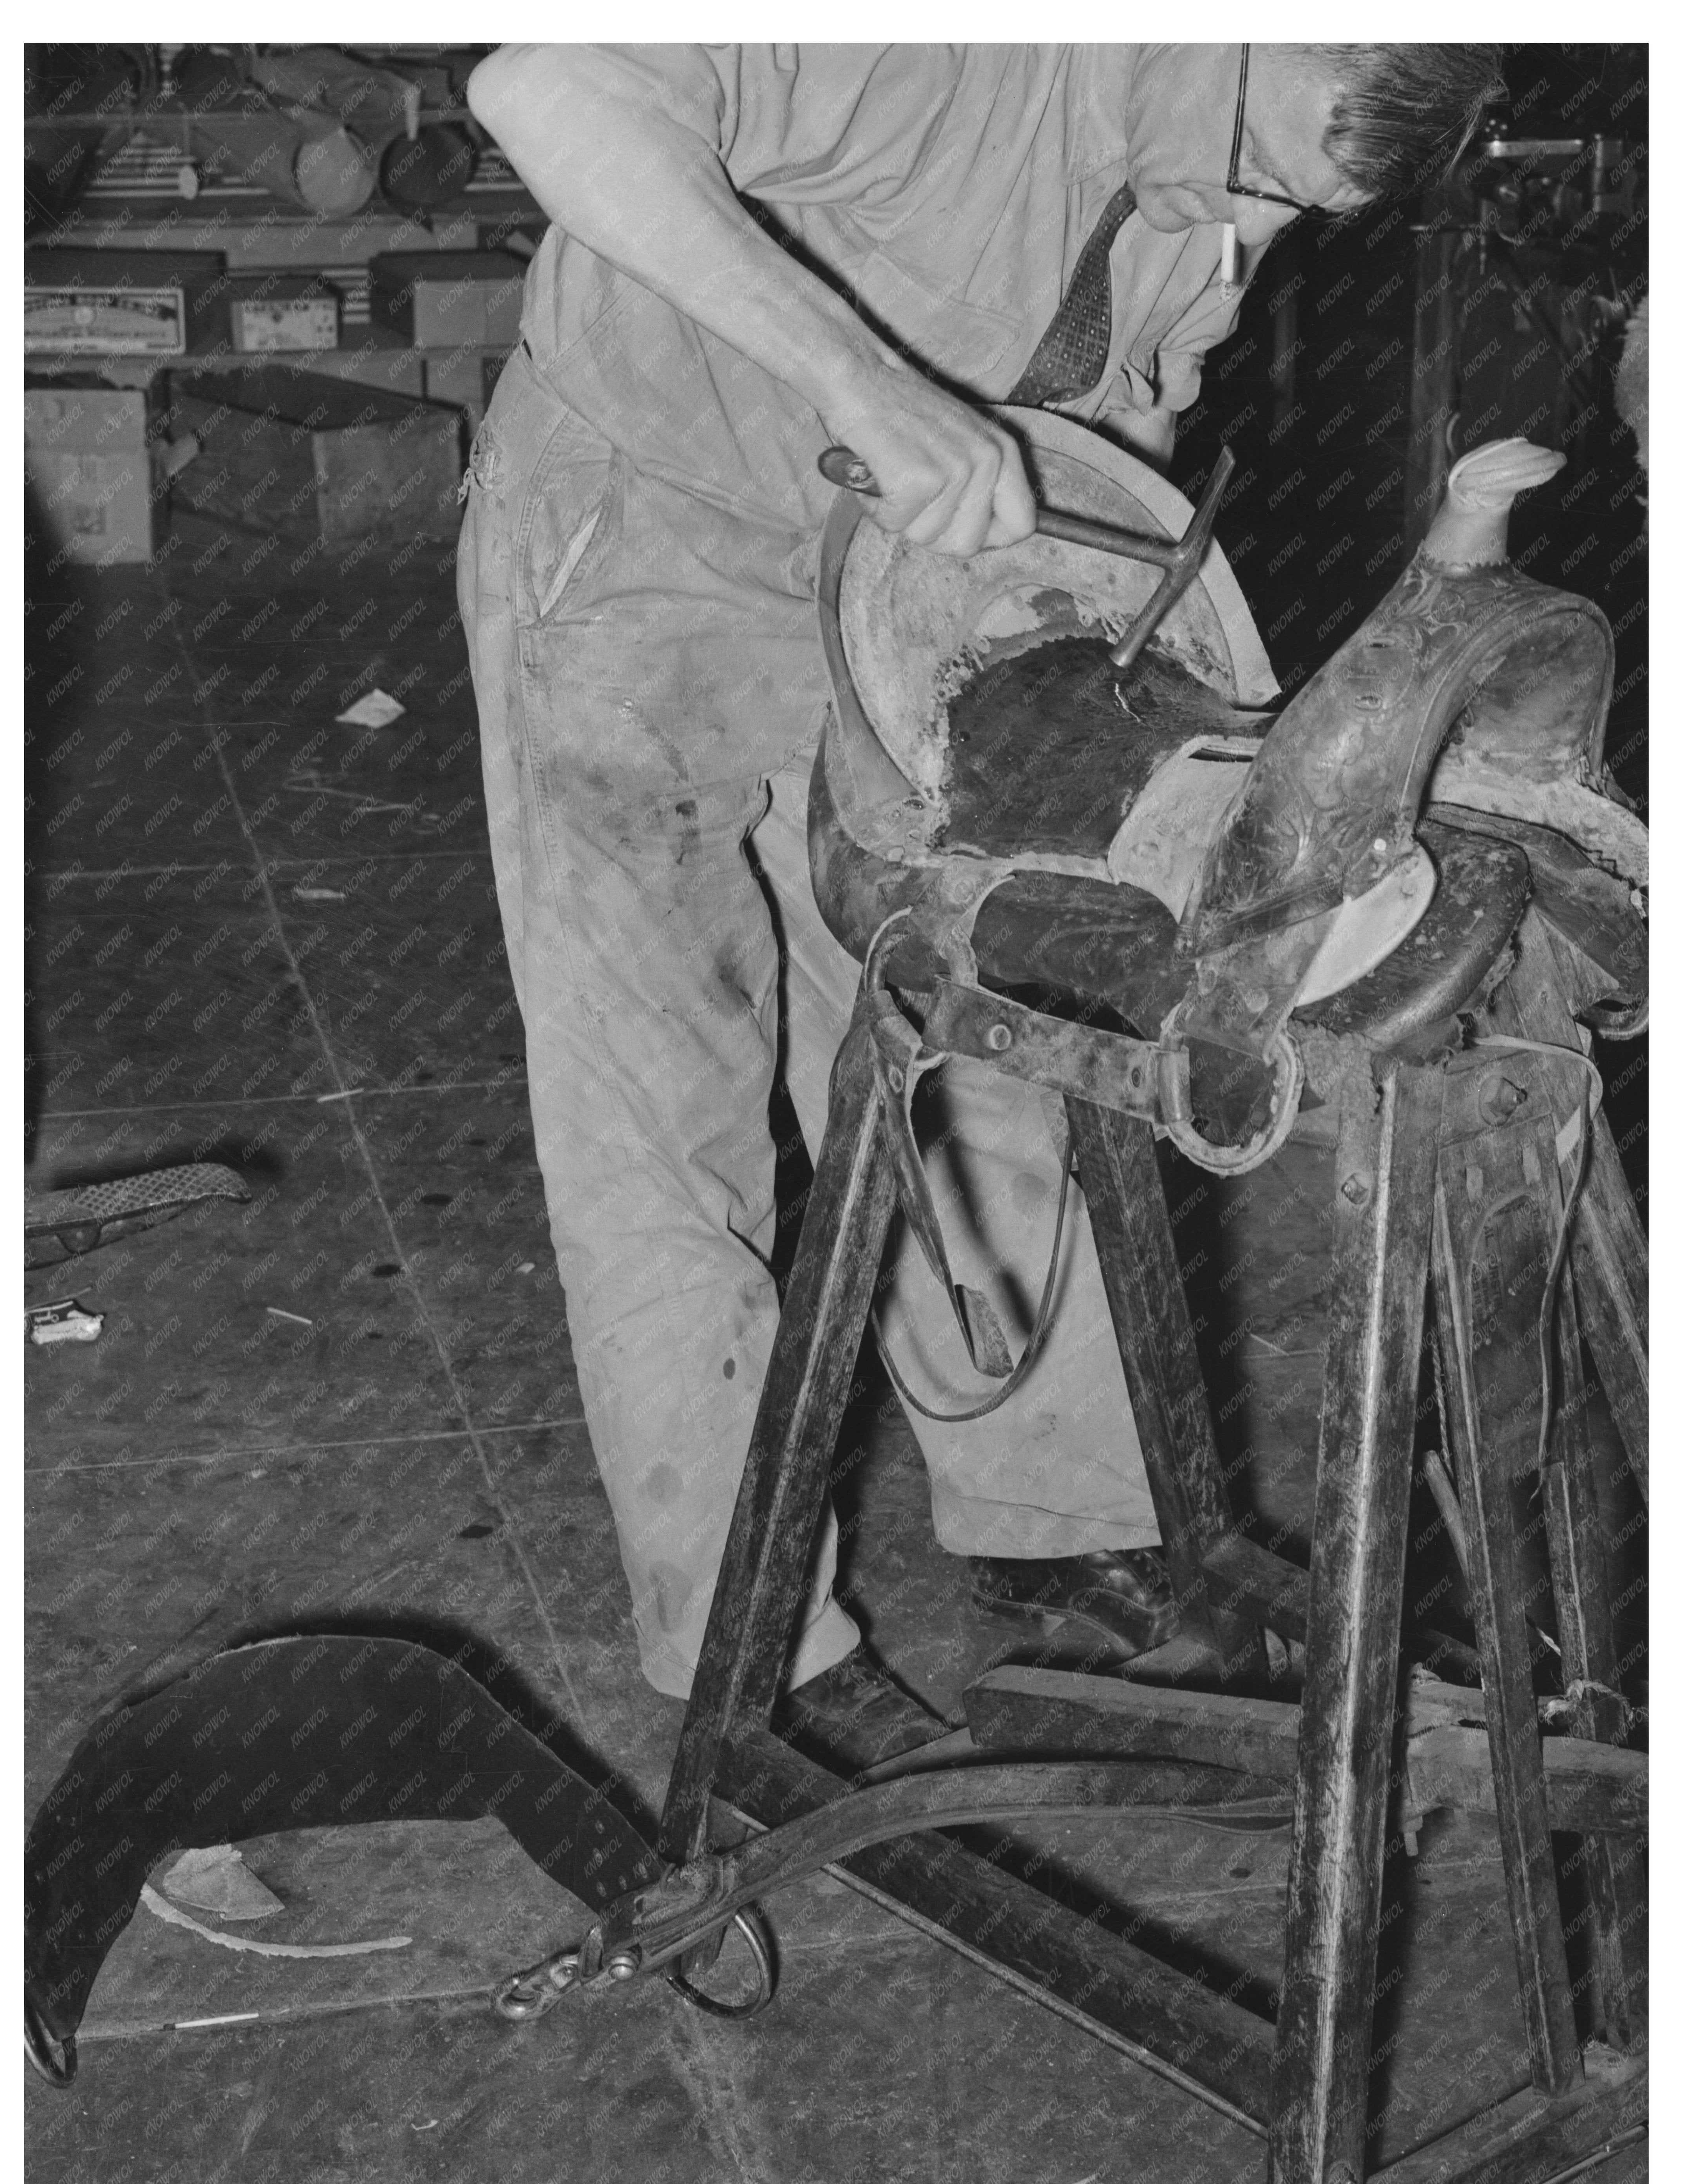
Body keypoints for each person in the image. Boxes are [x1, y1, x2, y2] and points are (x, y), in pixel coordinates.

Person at [457, 44, 1501, 1760]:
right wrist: (863, 385)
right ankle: (754, 1656)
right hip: (645, 543)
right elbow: (548, 87)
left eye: (1292, 209)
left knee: (986, 1022)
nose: (1246, 221)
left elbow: (1113, 397)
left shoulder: (1250, 139)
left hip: (903, 594)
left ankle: (1064, 1534)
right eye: (1257, 162)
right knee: (667, 1100)